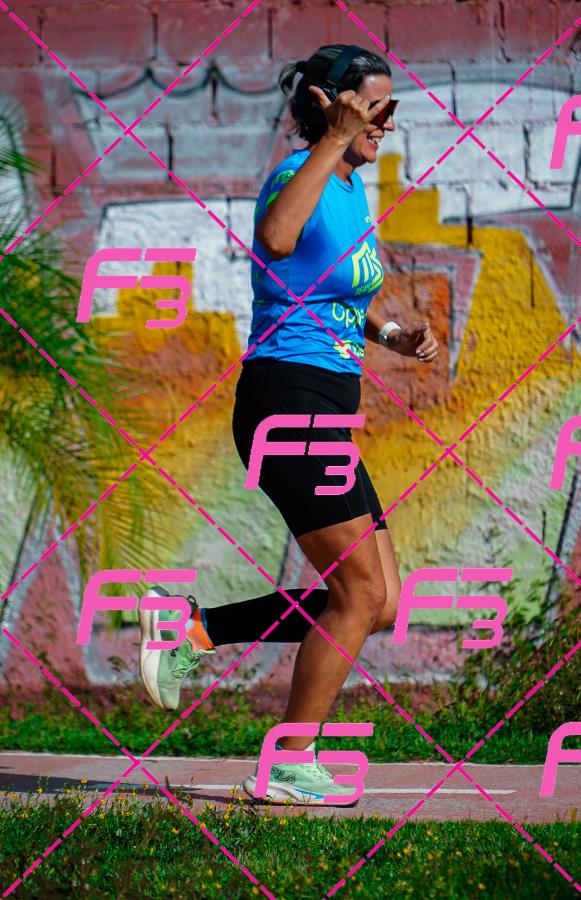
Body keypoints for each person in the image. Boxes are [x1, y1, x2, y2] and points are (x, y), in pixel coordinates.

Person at [139, 43, 439, 806]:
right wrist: (333, 140)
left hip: (326, 406)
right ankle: (287, 764)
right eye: (376, 107)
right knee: (358, 593)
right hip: (288, 401)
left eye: (391, 109)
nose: (386, 123)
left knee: (380, 599)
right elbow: (276, 240)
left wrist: (391, 334)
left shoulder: (349, 189)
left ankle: (193, 631)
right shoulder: (299, 174)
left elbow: (332, 287)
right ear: (331, 105)